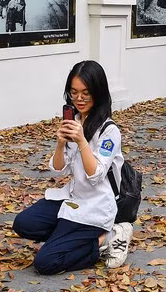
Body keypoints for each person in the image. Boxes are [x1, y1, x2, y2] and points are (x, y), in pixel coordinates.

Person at [12, 61, 132, 273]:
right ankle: (66, 239)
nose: (79, 99)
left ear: (98, 92)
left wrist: (82, 142)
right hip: (73, 198)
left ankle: (107, 238)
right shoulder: (75, 120)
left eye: (86, 93)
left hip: (96, 206)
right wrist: (60, 143)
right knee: (24, 223)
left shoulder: (109, 131)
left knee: (45, 263)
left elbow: (95, 175)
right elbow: (59, 170)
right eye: (74, 92)